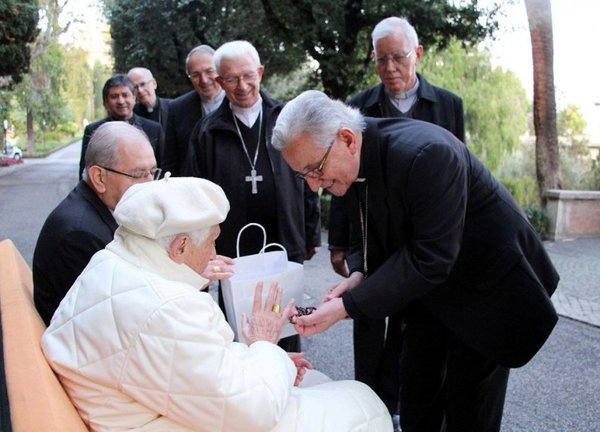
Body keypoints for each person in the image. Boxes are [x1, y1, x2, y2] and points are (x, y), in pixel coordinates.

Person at [272, 90, 560, 432]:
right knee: (417, 398)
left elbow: (431, 257)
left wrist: (346, 306)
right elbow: (372, 231)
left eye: (315, 170)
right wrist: (361, 273)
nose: (315, 185)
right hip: (427, 296)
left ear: (347, 138)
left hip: (485, 293)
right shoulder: (350, 166)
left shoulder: (426, 153)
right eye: (303, 176)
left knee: (469, 411)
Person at [41, 176, 392, 432]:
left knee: (318, 382)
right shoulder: (168, 309)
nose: (214, 253)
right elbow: (250, 413)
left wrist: (266, 360)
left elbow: (178, 362)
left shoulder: (111, 262)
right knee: (362, 401)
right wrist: (263, 345)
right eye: (210, 242)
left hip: (148, 411)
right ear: (178, 247)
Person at [327, 16, 467, 425]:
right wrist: (340, 241)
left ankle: (419, 405)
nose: (390, 68)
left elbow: (461, 171)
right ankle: (369, 405)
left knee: (424, 323)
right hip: (371, 232)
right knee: (367, 313)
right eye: (381, 59)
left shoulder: (448, 105)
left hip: (422, 233)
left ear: (417, 54)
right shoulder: (355, 105)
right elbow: (339, 178)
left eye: (398, 58)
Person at [182, 40, 321, 353]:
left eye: (248, 76)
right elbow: (196, 198)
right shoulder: (208, 131)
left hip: (283, 234)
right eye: (230, 79)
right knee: (238, 321)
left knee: (285, 315)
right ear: (219, 82)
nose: (241, 86)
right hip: (233, 245)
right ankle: (245, 386)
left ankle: (289, 374)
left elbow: (310, 176)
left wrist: (310, 232)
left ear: (260, 72)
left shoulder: (289, 117)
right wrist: (203, 249)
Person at [33, 122, 159, 326]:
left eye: (152, 172)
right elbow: (123, 317)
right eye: (138, 174)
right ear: (99, 177)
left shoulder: (94, 209)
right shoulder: (79, 235)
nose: (150, 185)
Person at [78, 74, 164, 179]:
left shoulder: (153, 129)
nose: (121, 101)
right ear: (106, 102)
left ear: (134, 97)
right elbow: (85, 173)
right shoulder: (93, 131)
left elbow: (162, 168)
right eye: (114, 96)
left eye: (125, 95)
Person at [162, 45, 225, 175]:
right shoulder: (177, 109)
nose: (204, 80)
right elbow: (170, 160)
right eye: (196, 75)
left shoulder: (237, 102)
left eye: (209, 71)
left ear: (219, 70)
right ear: (189, 77)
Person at [127, 67, 171, 133]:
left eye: (143, 84)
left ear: (154, 83)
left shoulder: (172, 107)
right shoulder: (130, 113)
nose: (140, 90)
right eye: (135, 87)